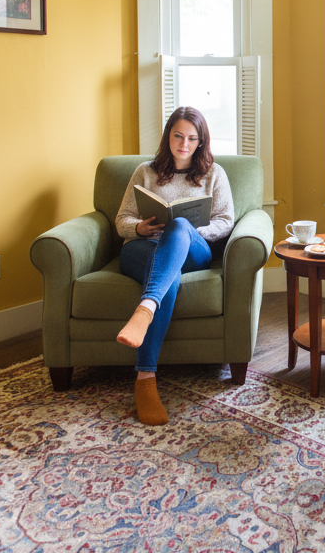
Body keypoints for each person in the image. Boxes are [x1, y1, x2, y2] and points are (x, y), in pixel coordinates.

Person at [114, 106, 234, 425]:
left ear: (201, 141)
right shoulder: (145, 171)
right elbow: (122, 219)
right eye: (178, 136)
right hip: (143, 249)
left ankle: (144, 310)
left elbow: (225, 220)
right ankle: (145, 380)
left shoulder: (214, 174)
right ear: (168, 135)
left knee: (179, 226)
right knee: (167, 274)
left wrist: (190, 230)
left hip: (193, 249)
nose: (184, 144)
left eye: (192, 138)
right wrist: (138, 228)